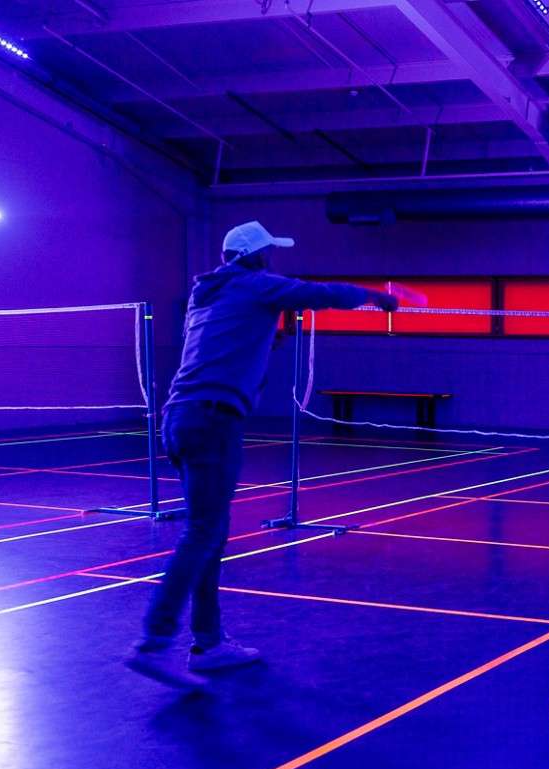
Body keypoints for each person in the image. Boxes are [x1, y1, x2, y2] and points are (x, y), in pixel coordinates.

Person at [126, 221, 405, 689]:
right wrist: (376, 296)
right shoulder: (254, 284)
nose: (273, 259)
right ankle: (153, 643)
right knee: (202, 533)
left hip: (179, 418)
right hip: (213, 419)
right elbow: (319, 293)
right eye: (268, 252)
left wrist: (268, 334)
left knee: (209, 535)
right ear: (254, 256)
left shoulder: (208, 294)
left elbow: (233, 338)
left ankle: (209, 643)